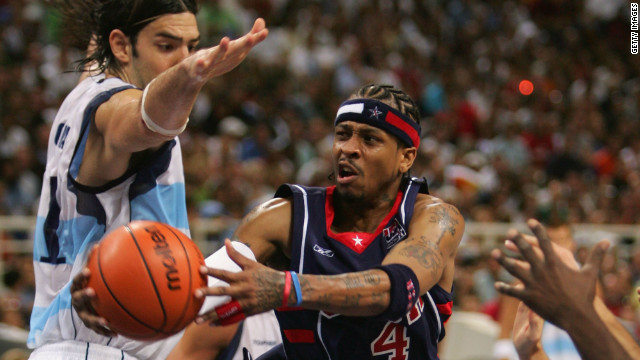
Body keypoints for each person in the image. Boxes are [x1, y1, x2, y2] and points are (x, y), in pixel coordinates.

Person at [28, 1, 268, 359]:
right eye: (167, 46)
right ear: (123, 46)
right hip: (105, 345)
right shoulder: (114, 109)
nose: (183, 57)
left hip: (68, 345)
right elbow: (146, 121)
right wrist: (190, 76)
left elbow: (103, 45)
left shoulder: (88, 85)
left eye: (191, 45)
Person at [188, 84, 465, 359]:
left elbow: (394, 290)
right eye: (342, 135)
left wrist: (289, 289)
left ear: (406, 158)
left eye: (370, 139)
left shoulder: (436, 219)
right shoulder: (281, 219)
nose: (349, 149)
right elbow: (200, 292)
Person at [492, 219, 640, 360]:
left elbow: (600, 331)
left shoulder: (589, 282)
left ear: (572, 243)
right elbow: (504, 333)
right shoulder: (522, 282)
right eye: (552, 240)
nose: (558, 245)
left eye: (562, 239)